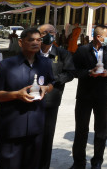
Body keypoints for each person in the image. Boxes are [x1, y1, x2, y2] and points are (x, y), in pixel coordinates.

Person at [0, 28, 55, 168]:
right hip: (12, 128)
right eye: (31, 40)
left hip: (36, 126)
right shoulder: (6, 65)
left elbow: (51, 83)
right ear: (20, 42)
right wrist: (16, 94)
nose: (36, 43)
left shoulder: (46, 63)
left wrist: (46, 88)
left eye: (38, 40)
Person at [71, 24, 107, 169]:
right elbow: (74, 71)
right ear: (99, 37)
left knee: (101, 130)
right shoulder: (82, 50)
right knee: (81, 130)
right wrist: (89, 72)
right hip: (85, 95)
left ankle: (97, 161)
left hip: (102, 96)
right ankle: (79, 162)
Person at [38, 24, 75, 169]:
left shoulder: (63, 53)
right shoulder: (32, 51)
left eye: (51, 32)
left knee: (47, 135)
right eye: (44, 32)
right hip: (30, 100)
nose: (47, 34)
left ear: (55, 34)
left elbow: (70, 73)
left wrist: (54, 81)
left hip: (51, 100)